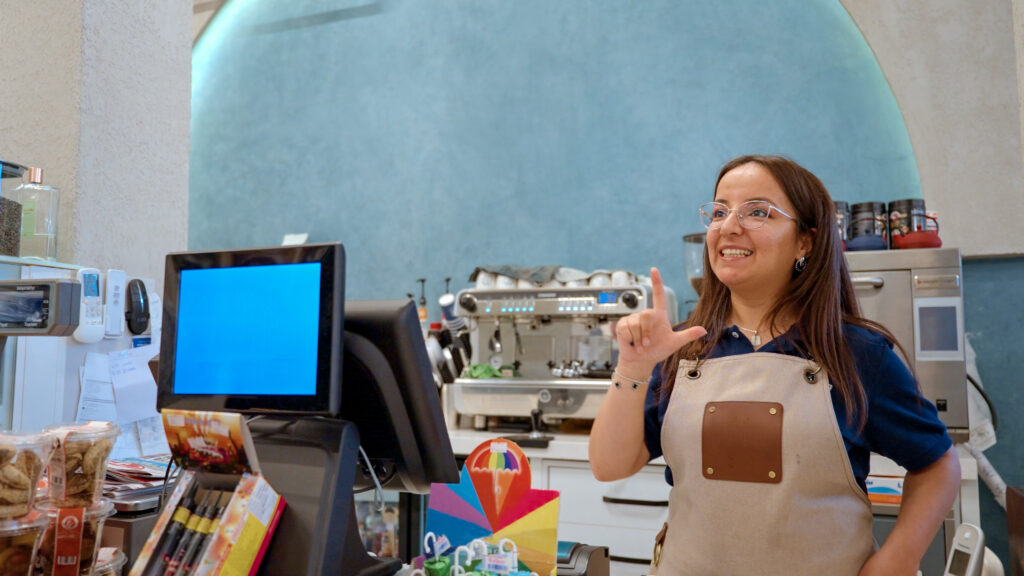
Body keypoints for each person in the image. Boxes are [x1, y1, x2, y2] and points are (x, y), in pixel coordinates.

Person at [588, 155, 960, 576]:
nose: (729, 226)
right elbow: (609, 465)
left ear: (805, 242)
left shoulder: (855, 353)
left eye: (757, 212)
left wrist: (897, 560)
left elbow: (937, 464)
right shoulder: (683, 347)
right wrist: (633, 368)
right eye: (720, 211)